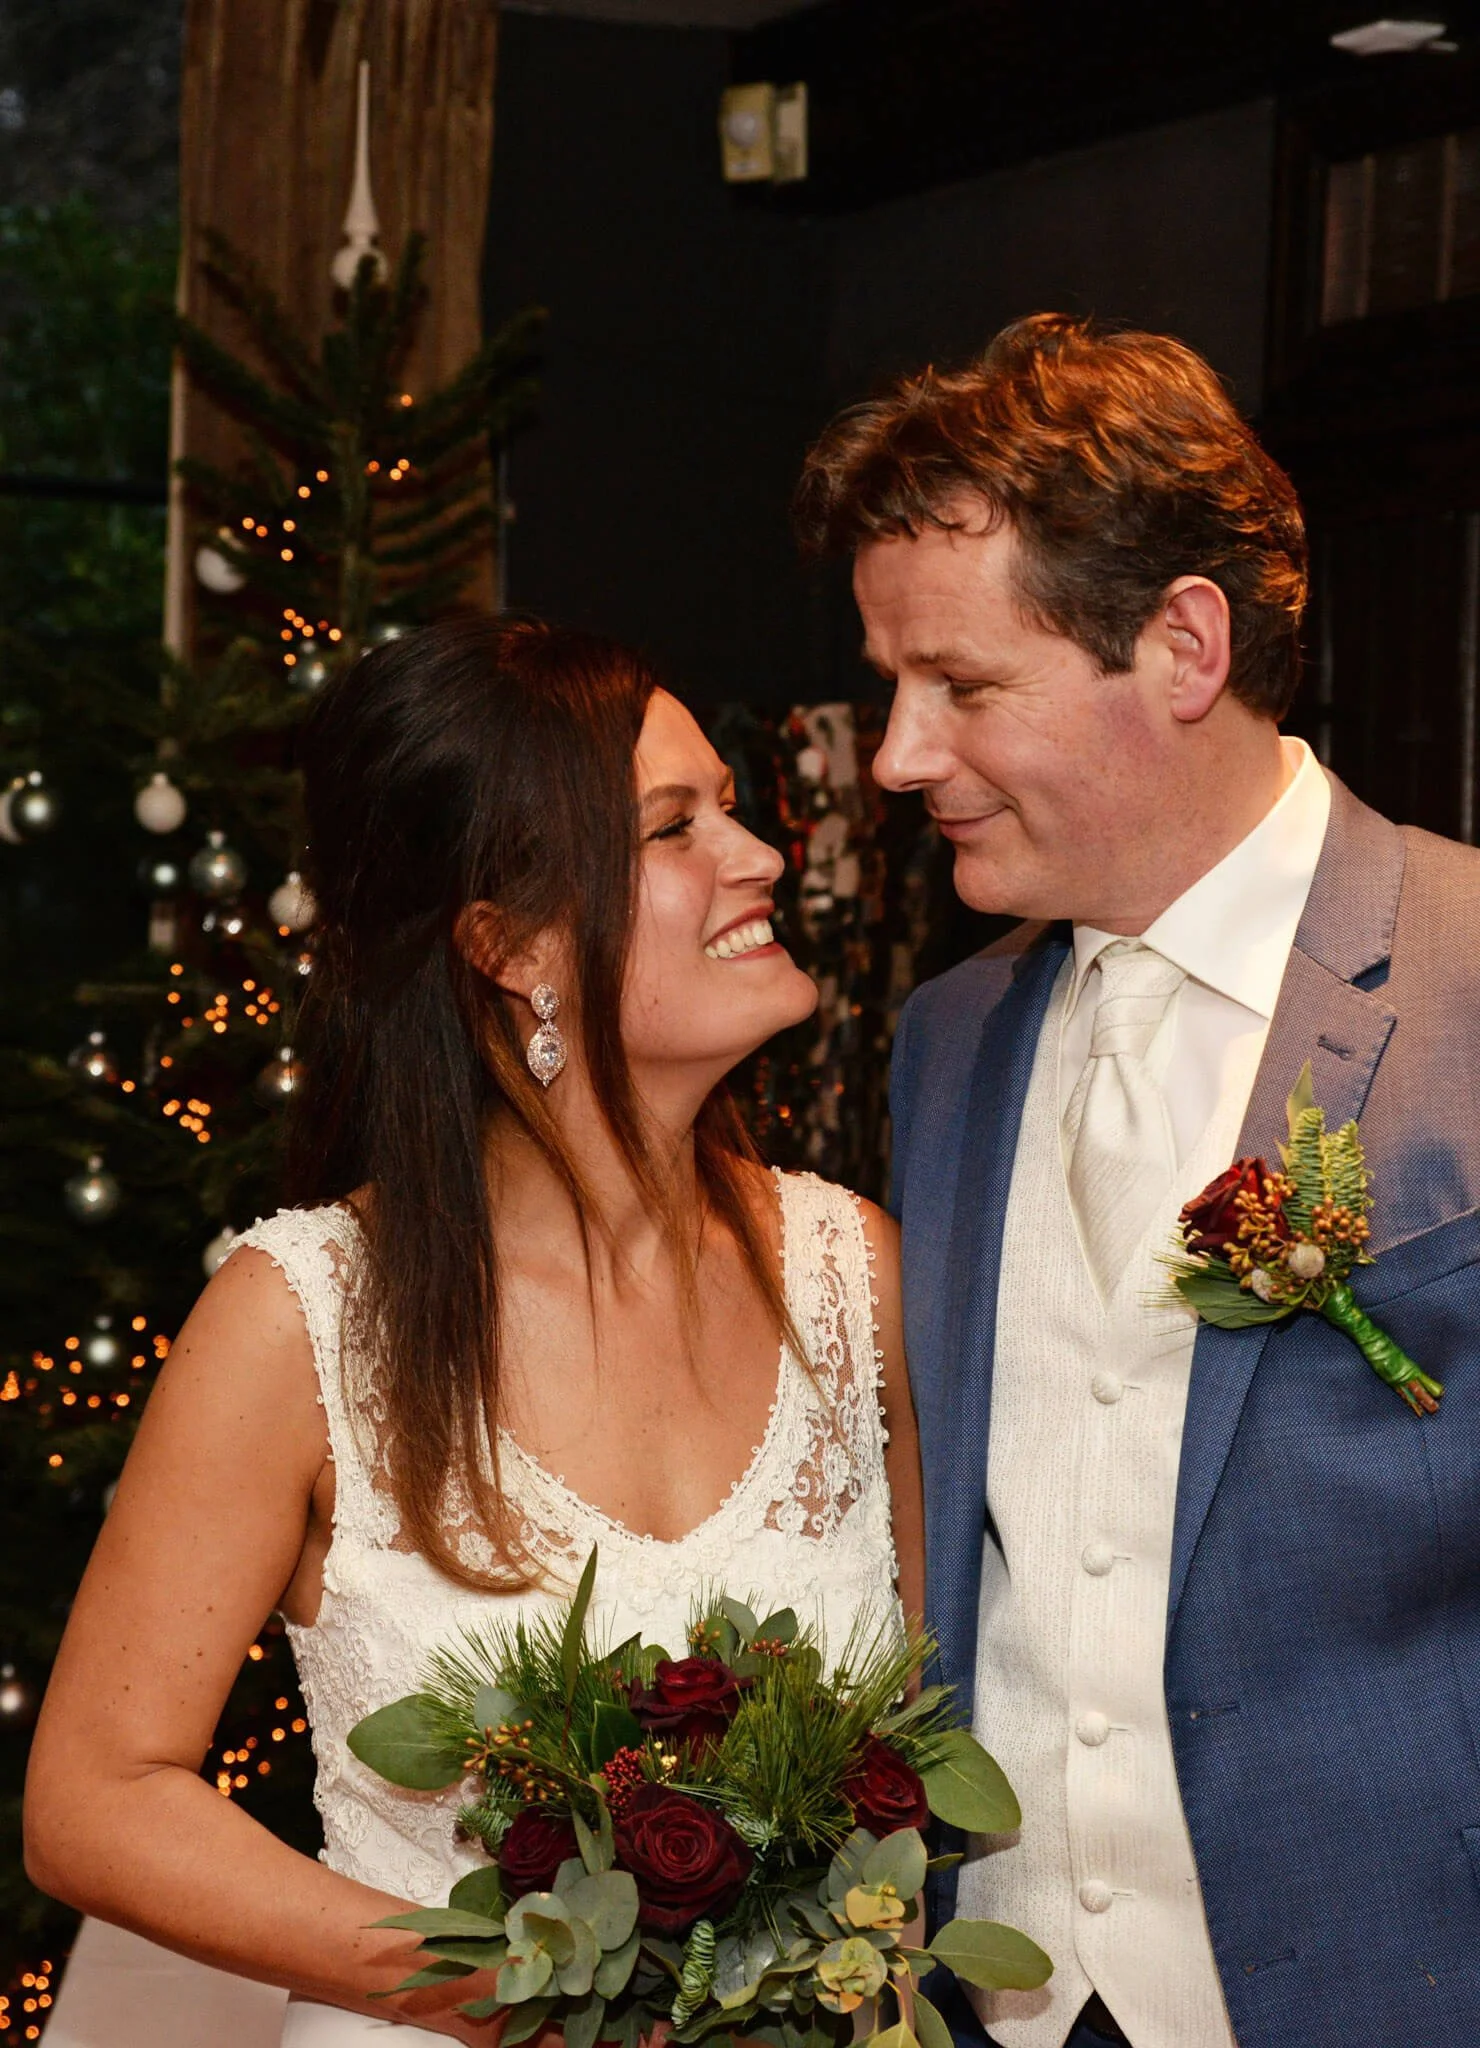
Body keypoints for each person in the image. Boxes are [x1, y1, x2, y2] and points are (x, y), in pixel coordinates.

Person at [24, 616, 924, 2045]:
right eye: (677, 828)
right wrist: (521, 1986)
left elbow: (930, 1744)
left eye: (734, 810)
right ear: (511, 949)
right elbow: (92, 1803)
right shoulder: (302, 1320)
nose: (757, 857)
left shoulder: (849, 1275)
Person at [793, 313, 1480, 2048]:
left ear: (1183, 645)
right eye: (892, 686)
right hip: (1007, 1997)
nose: (896, 755)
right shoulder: (949, 1040)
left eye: (961, 685)